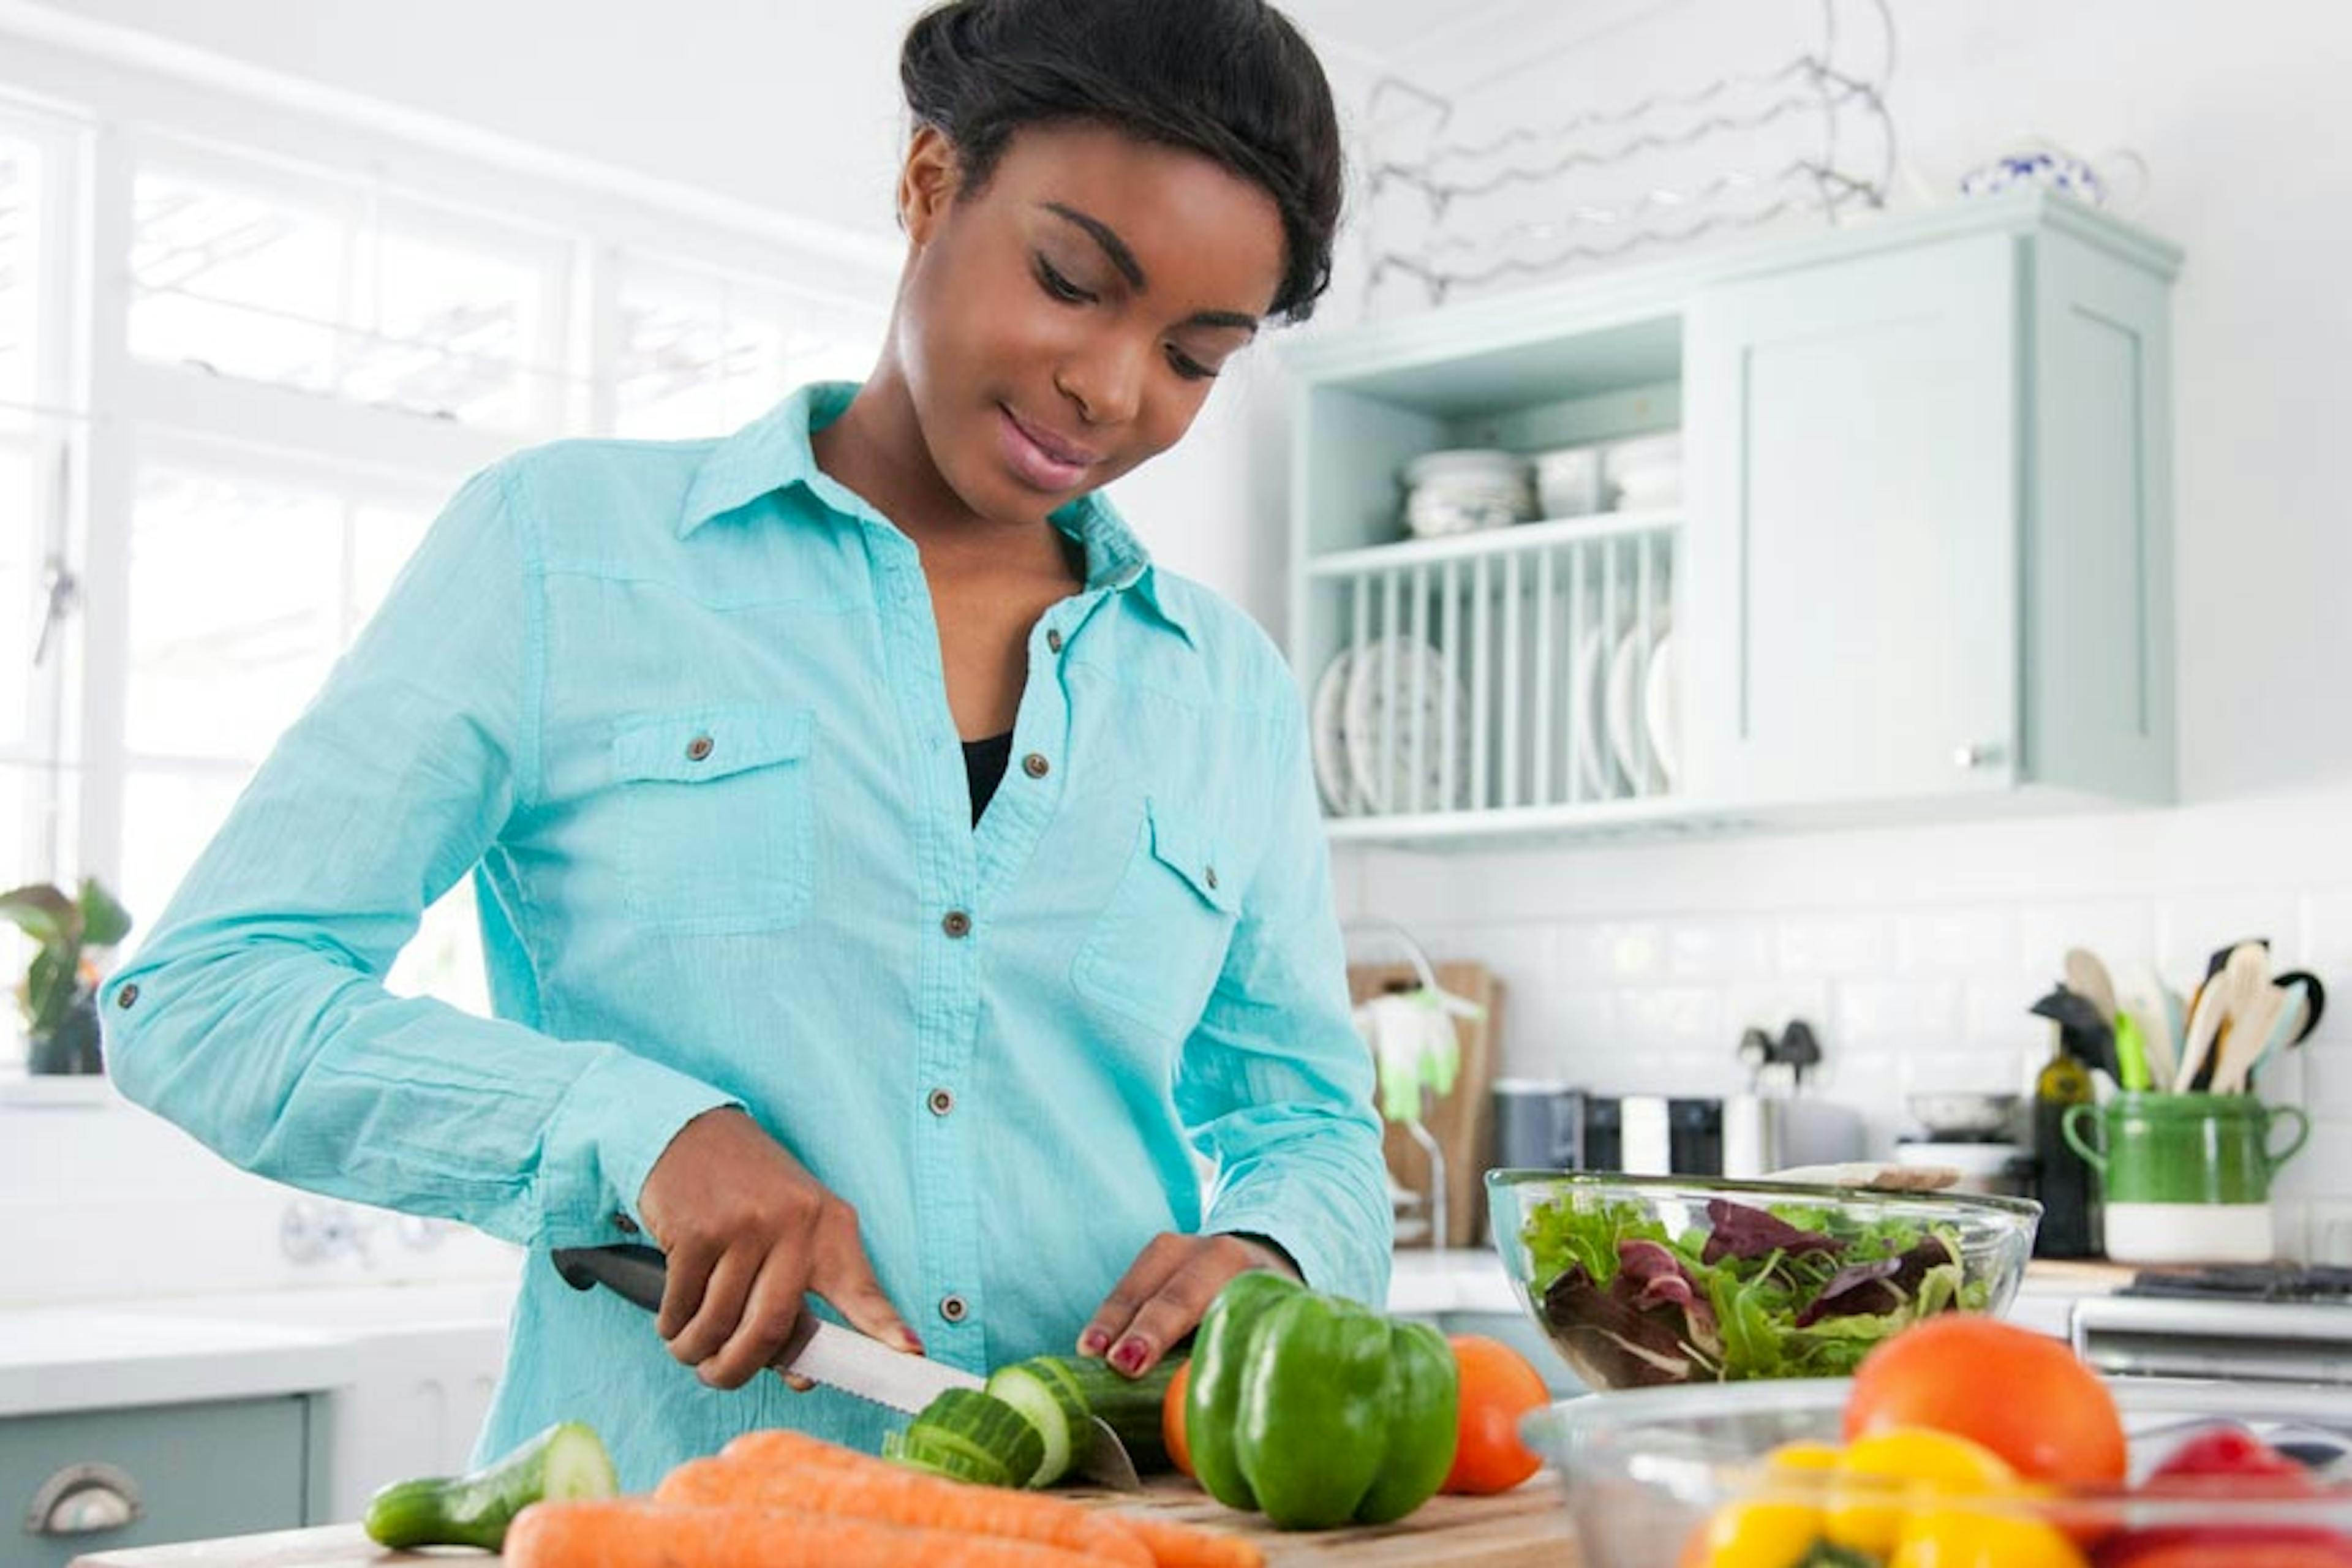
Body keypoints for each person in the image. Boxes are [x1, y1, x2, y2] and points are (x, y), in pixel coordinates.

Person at [102, 0, 1388, 1490]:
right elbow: (202, 994)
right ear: (928, 183)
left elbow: (1308, 1122)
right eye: (1070, 281)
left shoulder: (1223, 687)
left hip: (1117, 1522)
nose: (1111, 388)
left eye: (1193, 356)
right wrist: (632, 1126)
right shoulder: (563, 554)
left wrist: (1273, 1250)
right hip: (665, 1515)